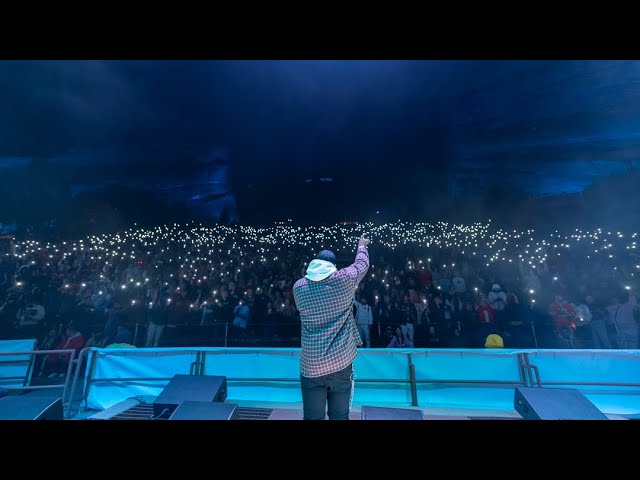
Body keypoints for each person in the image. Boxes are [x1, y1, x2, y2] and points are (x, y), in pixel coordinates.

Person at [292, 235, 370, 420]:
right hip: (341, 364)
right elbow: (362, 265)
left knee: (312, 418)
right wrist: (361, 246)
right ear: (333, 266)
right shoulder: (343, 281)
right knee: (340, 417)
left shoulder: (298, 287)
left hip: (311, 366)